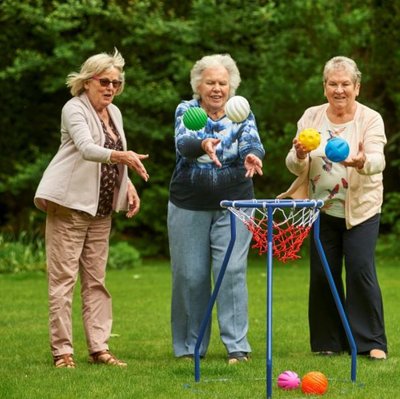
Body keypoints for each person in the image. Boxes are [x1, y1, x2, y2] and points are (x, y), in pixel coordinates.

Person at [34, 49, 149, 368]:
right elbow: (87, 149)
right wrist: (124, 158)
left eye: (117, 82)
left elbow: (114, 153)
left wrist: (128, 185)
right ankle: (62, 352)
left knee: (96, 281)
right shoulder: (74, 109)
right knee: (63, 280)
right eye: (105, 81)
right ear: (87, 81)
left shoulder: (115, 113)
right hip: (69, 205)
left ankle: (99, 348)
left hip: (101, 210)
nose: (111, 87)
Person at [278, 56, 388, 360]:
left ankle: (371, 343)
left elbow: (379, 159)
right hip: (321, 209)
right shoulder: (311, 117)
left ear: (357, 87)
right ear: (325, 87)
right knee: (323, 273)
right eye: (333, 84)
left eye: (345, 84)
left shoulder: (370, 119)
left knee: (360, 270)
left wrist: (362, 162)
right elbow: (293, 165)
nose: (339, 90)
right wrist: (299, 153)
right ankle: (329, 342)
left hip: (361, 210)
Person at [168, 54, 265, 364]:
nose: (216, 88)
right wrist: (203, 145)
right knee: (190, 276)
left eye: (222, 83)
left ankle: (237, 345)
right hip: (189, 204)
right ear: (198, 84)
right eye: (210, 82)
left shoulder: (241, 111)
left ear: (231, 86)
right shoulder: (188, 110)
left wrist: (252, 155)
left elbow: (252, 140)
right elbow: (184, 142)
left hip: (236, 204)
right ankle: (189, 348)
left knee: (232, 272)